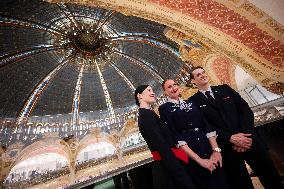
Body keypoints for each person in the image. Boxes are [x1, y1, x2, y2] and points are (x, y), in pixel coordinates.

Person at [189, 66, 283, 189]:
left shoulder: (225, 89)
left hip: (249, 141)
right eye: (198, 75)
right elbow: (204, 126)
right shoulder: (192, 102)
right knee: (240, 184)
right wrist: (230, 138)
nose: (202, 75)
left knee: (271, 177)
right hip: (227, 149)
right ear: (193, 81)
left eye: (203, 72)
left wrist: (243, 136)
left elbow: (245, 110)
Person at [159, 79, 230, 189]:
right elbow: (175, 135)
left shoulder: (191, 102)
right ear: (164, 92)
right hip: (190, 152)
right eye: (169, 87)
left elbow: (206, 126)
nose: (173, 88)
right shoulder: (164, 109)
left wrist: (216, 151)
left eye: (175, 85)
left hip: (207, 145)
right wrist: (200, 160)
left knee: (222, 182)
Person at [134, 85, 195, 189]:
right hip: (167, 168)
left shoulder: (147, 114)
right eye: (149, 90)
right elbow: (161, 144)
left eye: (153, 90)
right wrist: (178, 170)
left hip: (166, 164)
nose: (153, 93)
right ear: (139, 95)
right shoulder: (146, 115)